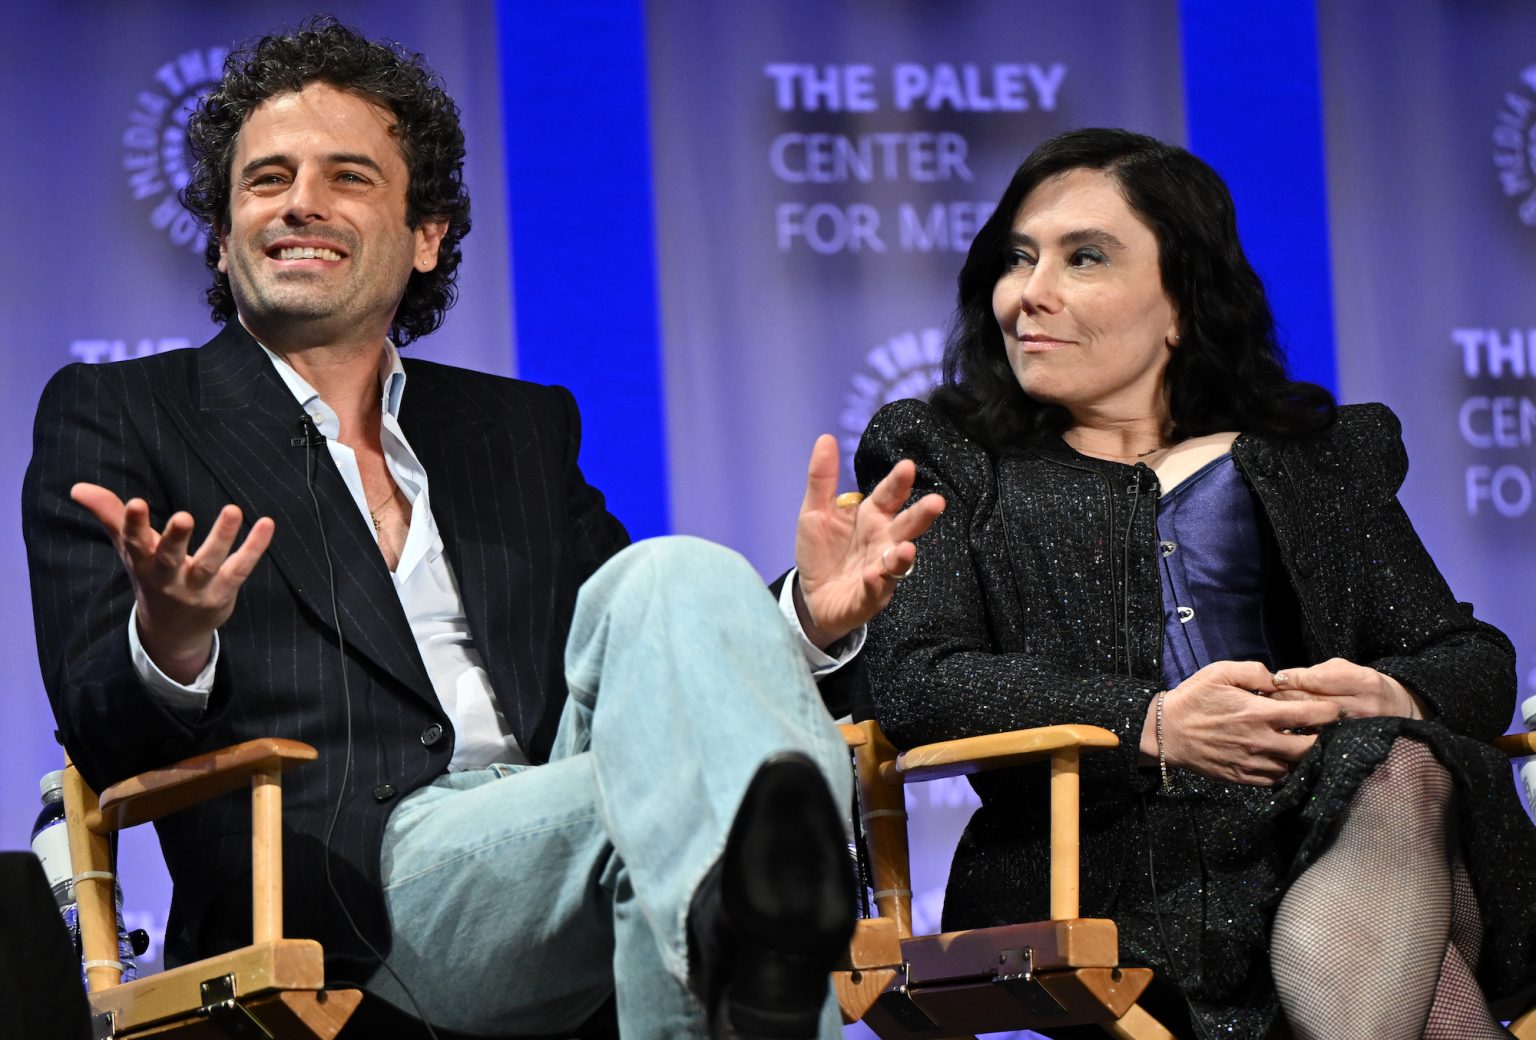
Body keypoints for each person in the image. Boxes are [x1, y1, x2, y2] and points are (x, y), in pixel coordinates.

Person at [22, 18, 944, 1040]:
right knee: (699, 815)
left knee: (680, 574)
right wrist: (175, 635)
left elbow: (641, 651)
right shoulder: (122, 412)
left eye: (349, 177)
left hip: (566, 808)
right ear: (223, 227)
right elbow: (102, 730)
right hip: (353, 881)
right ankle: (768, 933)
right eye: (267, 178)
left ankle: (747, 938)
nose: (299, 203)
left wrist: (807, 620)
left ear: (429, 234)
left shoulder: (516, 424)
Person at [855, 127, 1536, 1039]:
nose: (1030, 294)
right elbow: (919, 679)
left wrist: (1389, 689)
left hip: (1324, 824)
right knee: (1409, 887)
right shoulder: (958, 460)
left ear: (1181, 303)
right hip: (1095, 865)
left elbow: (1475, 659)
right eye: (1018, 260)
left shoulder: (1312, 461)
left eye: (1084, 257)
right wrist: (1154, 722)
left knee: (1396, 764)